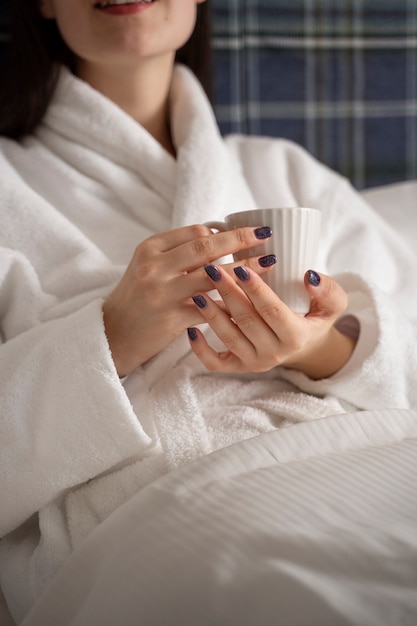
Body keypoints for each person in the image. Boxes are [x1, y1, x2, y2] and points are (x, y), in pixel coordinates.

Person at [0, 0, 416, 622]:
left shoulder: (285, 169)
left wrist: (318, 349)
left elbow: (409, 355)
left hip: (364, 459)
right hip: (184, 505)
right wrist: (111, 334)